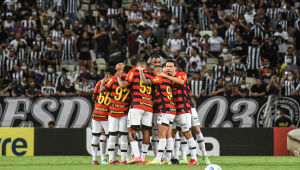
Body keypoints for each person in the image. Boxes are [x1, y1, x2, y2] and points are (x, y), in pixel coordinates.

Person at [161, 59, 199, 165]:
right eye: (167, 66)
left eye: (170, 66)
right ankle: (171, 157)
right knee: (172, 134)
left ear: (175, 68)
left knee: (187, 132)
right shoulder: (166, 79)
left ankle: (194, 159)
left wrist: (166, 76)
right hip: (173, 110)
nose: (168, 68)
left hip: (183, 108)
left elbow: (181, 82)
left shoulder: (181, 74)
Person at [116, 59, 154, 164]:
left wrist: (119, 78)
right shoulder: (151, 76)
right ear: (145, 66)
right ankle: (143, 158)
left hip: (137, 105)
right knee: (146, 131)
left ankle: (136, 156)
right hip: (149, 106)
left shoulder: (133, 72)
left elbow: (123, 85)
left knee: (131, 130)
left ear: (136, 66)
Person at [142, 66, 176, 164]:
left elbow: (145, 82)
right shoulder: (168, 80)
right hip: (172, 109)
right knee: (169, 135)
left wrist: (141, 73)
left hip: (164, 109)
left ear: (157, 72)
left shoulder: (159, 77)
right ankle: (168, 159)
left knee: (162, 136)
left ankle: (158, 159)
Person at [100, 64, 131, 164]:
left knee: (113, 135)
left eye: (120, 68)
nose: (119, 70)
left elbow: (102, 90)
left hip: (114, 111)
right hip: (123, 111)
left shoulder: (113, 79)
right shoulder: (129, 79)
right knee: (123, 136)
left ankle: (112, 160)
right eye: (119, 68)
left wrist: (103, 83)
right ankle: (122, 160)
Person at [91, 67, 115, 165]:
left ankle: (95, 160)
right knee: (110, 136)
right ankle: (109, 159)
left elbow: (93, 97)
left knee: (96, 135)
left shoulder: (99, 83)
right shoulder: (113, 83)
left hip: (96, 112)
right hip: (106, 114)